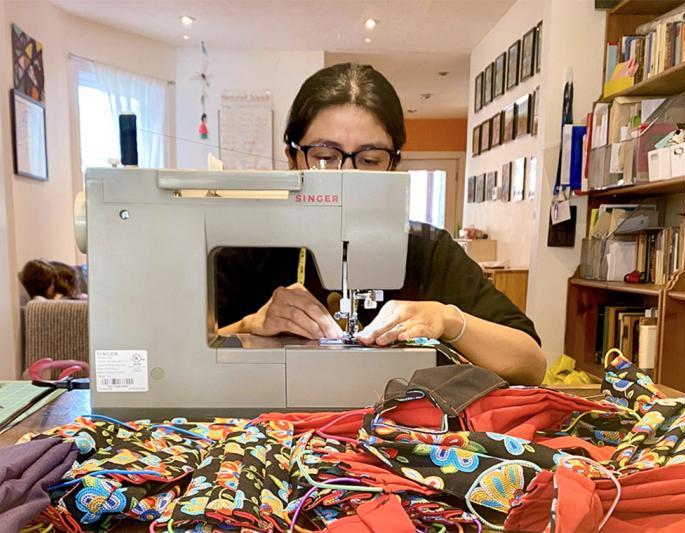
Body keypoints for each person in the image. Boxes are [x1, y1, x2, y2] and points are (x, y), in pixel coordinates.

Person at [215, 63, 545, 385]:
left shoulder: (427, 250)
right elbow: (171, 358)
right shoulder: (250, 249)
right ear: (292, 157)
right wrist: (249, 324)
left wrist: (447, 319)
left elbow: (531, 364)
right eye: (324, 157)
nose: (346, 175)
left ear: (393, 163)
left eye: (369, 159)